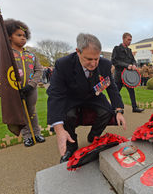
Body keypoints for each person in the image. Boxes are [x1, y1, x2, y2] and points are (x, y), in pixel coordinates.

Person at [47, 33, 126, 162]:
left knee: (107, 111)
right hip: (71, 96)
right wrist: (59, 129)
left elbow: (112, 88)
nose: (94, 63)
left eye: (97, 58)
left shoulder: (105, 64)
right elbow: (55, 94)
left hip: (93, 96)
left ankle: (94, 136)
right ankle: (71, 145)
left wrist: (118, 110)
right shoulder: (63, 64)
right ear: (78, 51)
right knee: (68, 115)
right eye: (89, 59)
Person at [4, 19, 45, 147]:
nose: (23, 38)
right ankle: (27, 136)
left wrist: (31, 85)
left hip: (31, 89)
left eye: (24, 36)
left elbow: (39, 70)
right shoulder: (7, 55)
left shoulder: (31, 55)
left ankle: (37, 133)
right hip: (15, 90)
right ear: (10, 36)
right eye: (19, 35)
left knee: (32, 110)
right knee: (21, 112)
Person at [112, 33, 144, 113]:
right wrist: (127, 65)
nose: (130, 41)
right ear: (123, 39)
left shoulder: (129, 50)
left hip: (128, 76)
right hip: (119, 75)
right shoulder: (117, 49)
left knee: (131, 91)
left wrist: (134, 65)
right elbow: (114, 61)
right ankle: (113, 107)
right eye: (128, 40)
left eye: (131, 40)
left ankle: (134, 107)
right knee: (116, 92)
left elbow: (133, 60)